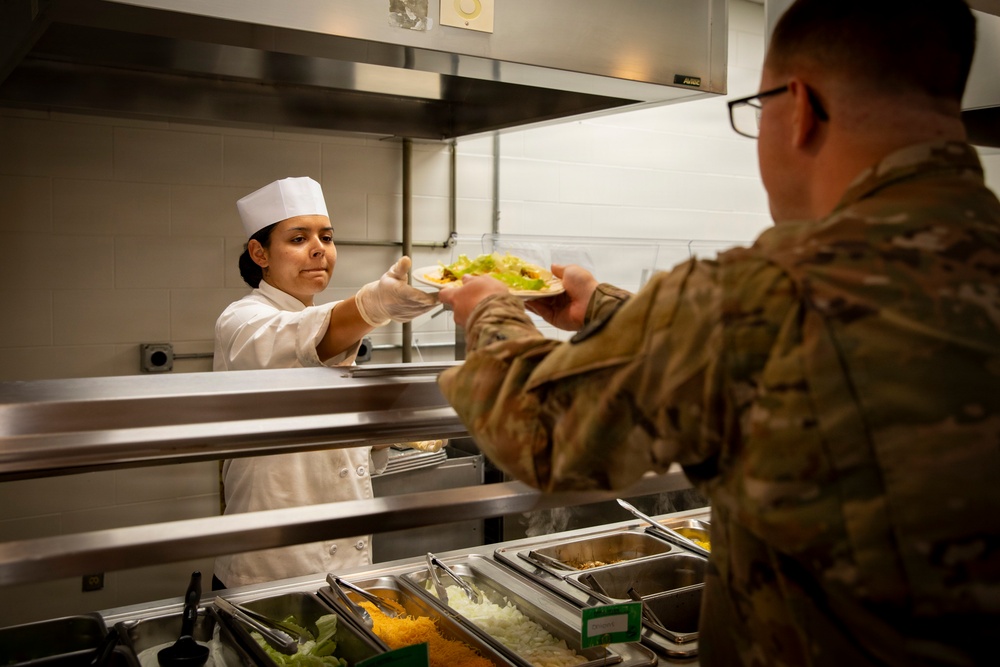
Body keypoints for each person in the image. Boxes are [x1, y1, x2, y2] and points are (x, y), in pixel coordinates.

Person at [437, 1, 1000, 665]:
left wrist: (488, 308)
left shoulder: (759, 293)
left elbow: (541, 433)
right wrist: (613, 311)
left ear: (799, 107)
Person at [213, 176, 439, 589]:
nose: (319, 248)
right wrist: (373, 306)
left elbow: (340, 452)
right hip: (270, 565)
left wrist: (385, 431)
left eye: (327, 237)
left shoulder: (321, 322)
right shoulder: (242, 319)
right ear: (259, 253)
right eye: (298, 238)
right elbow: (298, 336)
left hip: (347, 557)